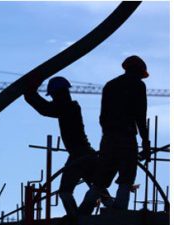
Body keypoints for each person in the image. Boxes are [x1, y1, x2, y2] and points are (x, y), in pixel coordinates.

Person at [24, 76, 108, 217]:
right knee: (98, 188)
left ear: (58, 94)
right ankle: (105, 212)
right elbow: (47, 108)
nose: (53, 99)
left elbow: (45, 109)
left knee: (65, 192)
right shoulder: (69, 107)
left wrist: (30, 94)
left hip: (79, 155)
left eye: (54, 95)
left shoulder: (69, 107)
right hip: (87, 155)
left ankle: (76, 217)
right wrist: (30, 94)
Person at [78, 55, 151, 215]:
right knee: (126, 177)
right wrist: (146, 142)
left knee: (101, 177)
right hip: (126, 137)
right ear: (138, 71)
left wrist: (109, 137)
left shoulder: (110, 86)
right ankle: (119, 213)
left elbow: (102, 118)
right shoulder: (138, 86)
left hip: (109, 138)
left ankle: (84, 211)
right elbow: (140, 116)